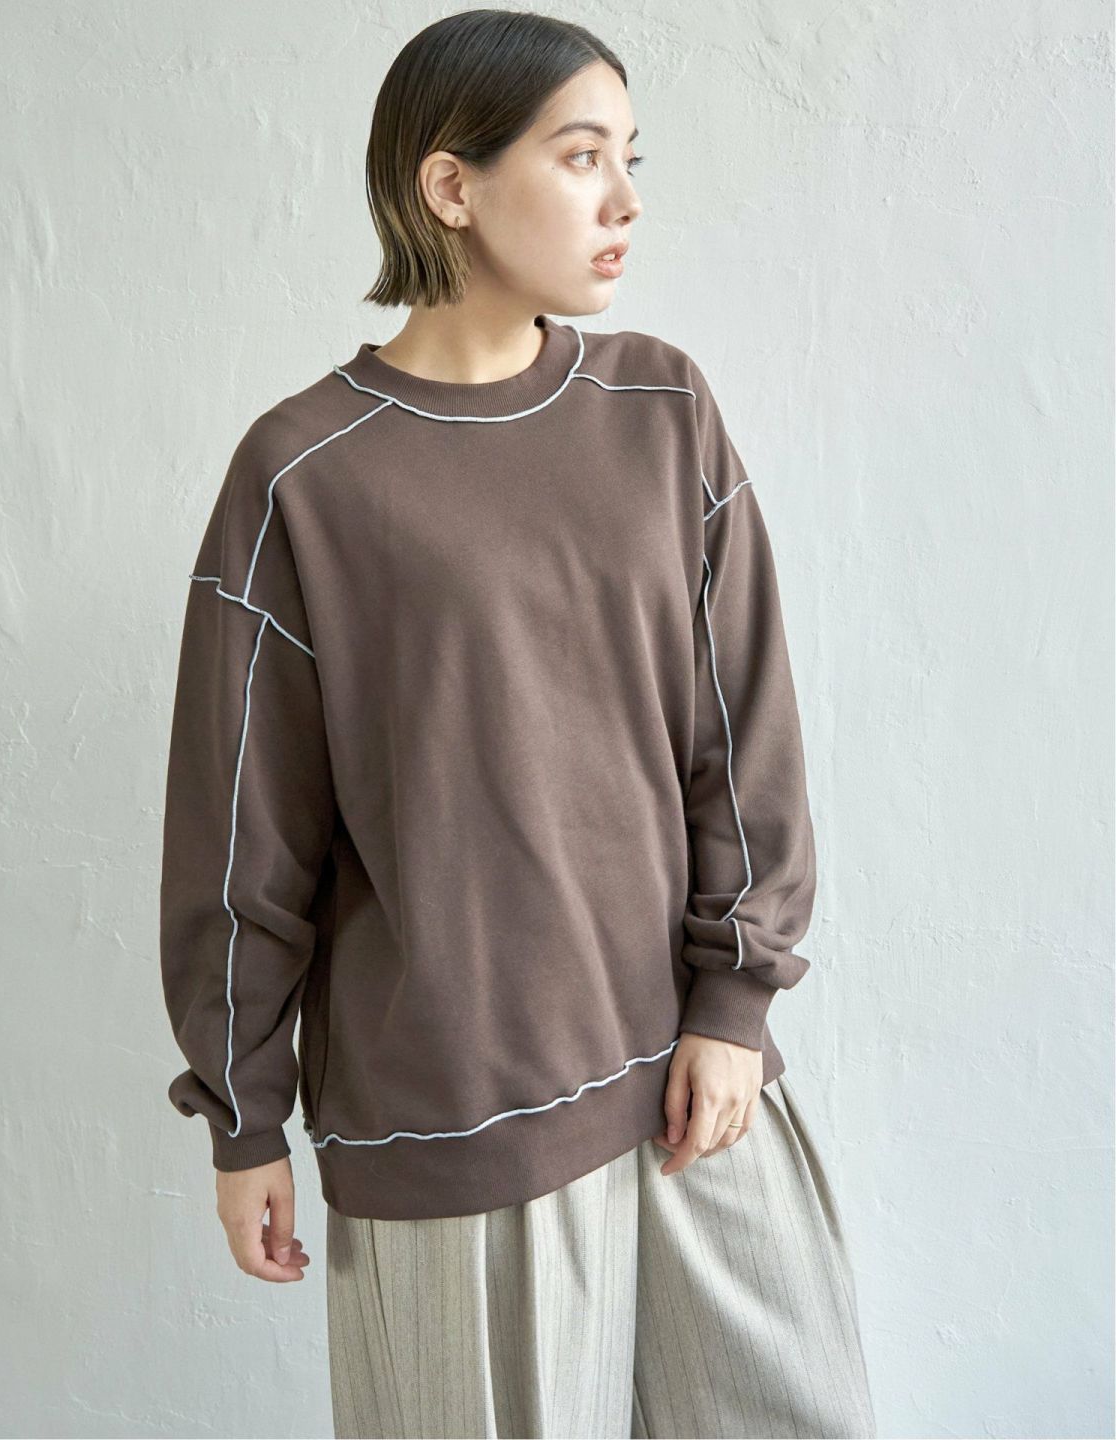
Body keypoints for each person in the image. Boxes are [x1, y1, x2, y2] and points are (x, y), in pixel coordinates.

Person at [157, 9, 878, 1437]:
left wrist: (735, 1004)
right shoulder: (305, 476)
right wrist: (245, 1119)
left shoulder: (662, 408)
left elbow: (742, 733)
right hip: (459, 1120)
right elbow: (243, 830)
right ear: (452, 186)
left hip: (696, 1087)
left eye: (630, 158)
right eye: (581, 156)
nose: (626, 200)